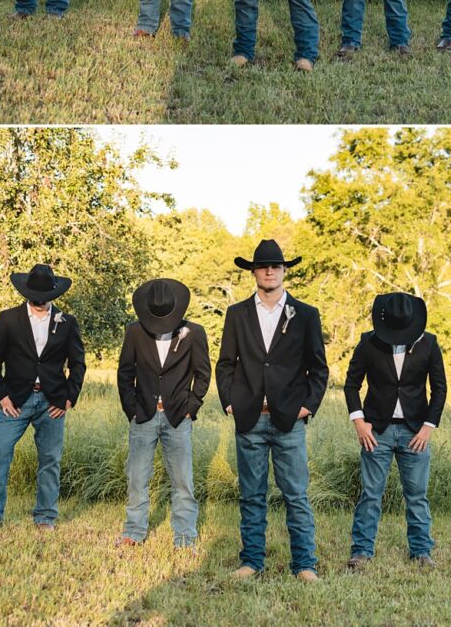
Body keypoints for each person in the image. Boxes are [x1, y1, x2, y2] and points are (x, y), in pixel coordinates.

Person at [215, 239, 329, 580]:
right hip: (250, 418)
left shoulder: (306, 314)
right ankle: (251, 562)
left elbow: (319, 369)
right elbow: (225, 364)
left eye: (275, 266)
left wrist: (306, 407)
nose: (269, 270)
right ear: (253, 272)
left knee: (296, 494)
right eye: (263, 266)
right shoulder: (237, 314)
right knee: (251, 495)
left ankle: (305, 564)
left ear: (283, 271)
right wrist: (231, 402)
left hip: (289, 420)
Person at [0, 264, 86, 533]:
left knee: (50, 461)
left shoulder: (67, 322)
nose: (39, 301)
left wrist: (69, 397)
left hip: (52, 402)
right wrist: (2, 396)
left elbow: (78, 363)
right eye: (34, 295)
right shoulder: (8, 319)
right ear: (26, 292)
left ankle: (45, 517)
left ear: (53, 295)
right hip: (15, 401)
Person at [343, 292, 447, 570]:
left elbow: (440, 389)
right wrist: (359, 422)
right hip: (376, 430)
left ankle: (422, 551)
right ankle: (362, 551)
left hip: (416, 432)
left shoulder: (429, 344)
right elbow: (351, 384)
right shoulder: (368, 342)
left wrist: (428, 427)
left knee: (417, 494)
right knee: (371, 493)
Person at [116, 278, 211, 547]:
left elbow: (203, 375)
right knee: (137, 477)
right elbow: (125, 373)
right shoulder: (134, 332)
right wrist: (132, 409)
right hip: (143, 416)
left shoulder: (194, 332)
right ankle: (133, 532)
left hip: (179, 417)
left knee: (183, 481)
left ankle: (184, 536)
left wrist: (191, 408)